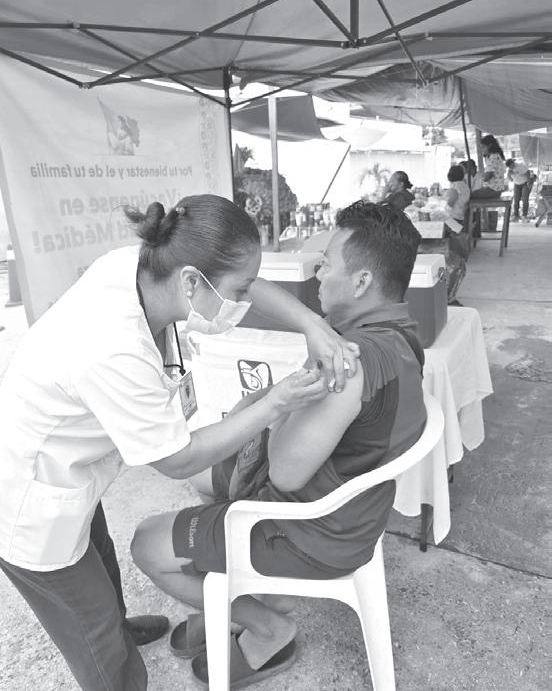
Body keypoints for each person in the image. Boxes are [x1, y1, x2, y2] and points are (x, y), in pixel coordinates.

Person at [0, 194, 360, 691]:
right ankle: (114, 660)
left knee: (99, 555)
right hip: (28, 496)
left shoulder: (148, 266)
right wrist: (274, 404)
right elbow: (178, 459)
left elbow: (248, 280)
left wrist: (311, 325)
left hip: (70, 463)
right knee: (91, 632)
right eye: (237, 291)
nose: (243, 301)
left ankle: (118, 625)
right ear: (192, 282)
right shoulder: (114, 346)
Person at [131, 200, 427, 689]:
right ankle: (241, 597)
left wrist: (277, 405)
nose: (316, 275)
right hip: (355, 511)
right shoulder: (397, 336)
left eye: (326, 264)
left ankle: (268, 626)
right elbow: (252, 286)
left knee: (147, 543)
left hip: (311, 530)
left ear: (360, 283)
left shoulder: (346, 362)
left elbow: (286, 473)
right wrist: (311, 327)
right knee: (208, 473)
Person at [470, 134, 506, 199]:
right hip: (493, 188)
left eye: (483, 147)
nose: (482, 150)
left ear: (490, 145)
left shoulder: (494, 157)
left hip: (494, 189)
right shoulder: (489, 157)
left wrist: (480, 180)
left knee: (471, 195)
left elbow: (488, 176)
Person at [506, 157, 533, 221]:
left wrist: (529, 182)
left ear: (513, 163)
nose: (510, 167)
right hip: (516, 184)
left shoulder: (520, 165)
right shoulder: (509, 170)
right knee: (516, 200)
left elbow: (528, 173)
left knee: (525, 199)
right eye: (509, 167)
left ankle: (524, 215)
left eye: (511, 166)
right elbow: (510, 179)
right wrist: (509, 174)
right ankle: (516, 215)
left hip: (524, 184)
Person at [446, 164, 470, 231]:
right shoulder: (465, 186)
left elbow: (450, 203)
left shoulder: (455, 187)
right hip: (460, 217)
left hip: (453, 220)